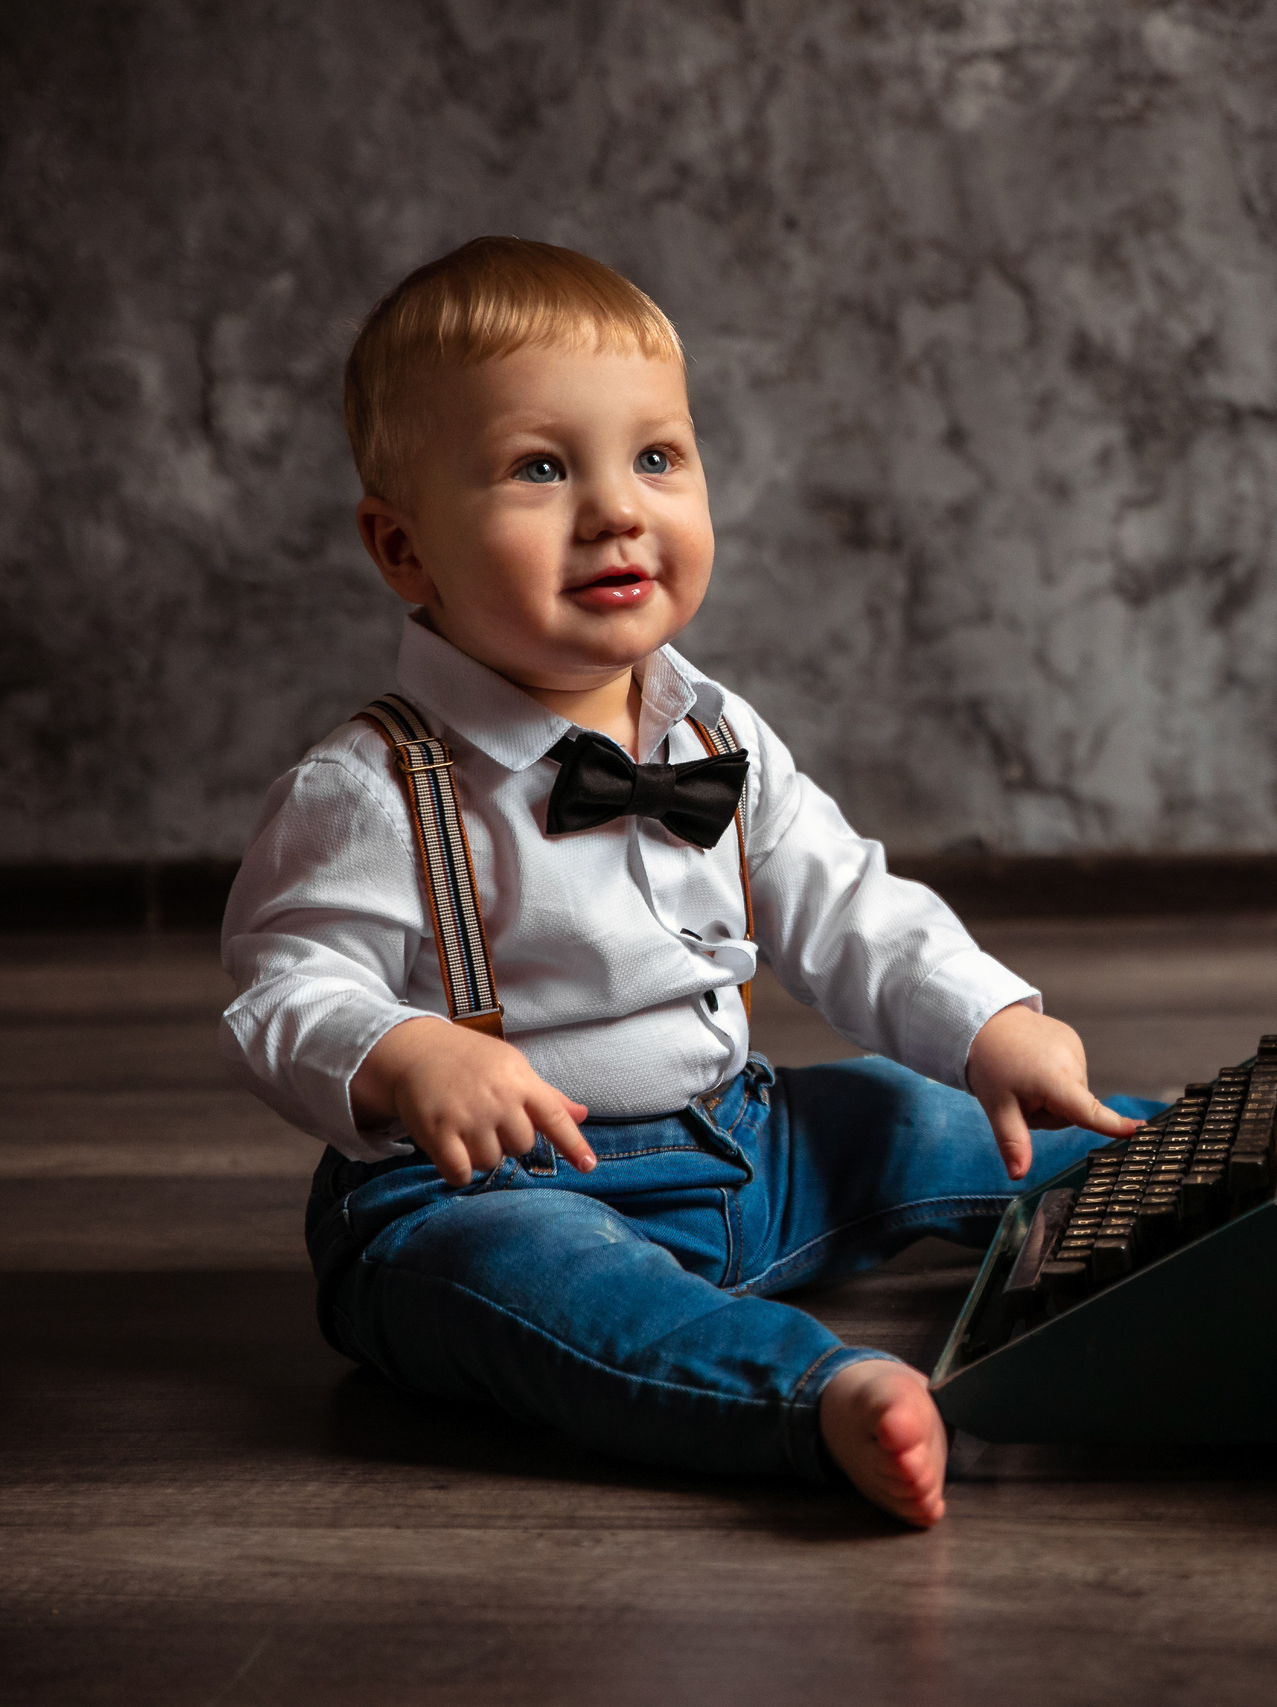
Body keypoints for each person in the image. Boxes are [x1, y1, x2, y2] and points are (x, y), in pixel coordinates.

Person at [219, 236, 1144, 1527]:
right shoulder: (375, 787)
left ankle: (1209, 1174)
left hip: (739, 1148)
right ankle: (815, 1393)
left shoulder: (717, 734)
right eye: (542, 469)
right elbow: (281, 986)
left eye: (656, 458)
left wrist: (989, 1019)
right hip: (481, 1196)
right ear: (403, 547)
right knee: (544, 1286)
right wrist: (400, 1053)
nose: (616, 509)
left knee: (911, 1111)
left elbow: (843, 900)